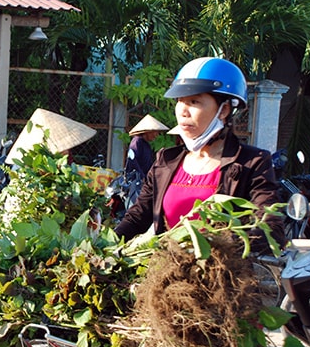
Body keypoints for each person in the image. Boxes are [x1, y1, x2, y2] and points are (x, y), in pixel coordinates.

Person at [114, 57, 285, 250]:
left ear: (224, 110)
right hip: (165, 271)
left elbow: (270, 228)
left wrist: (214, 248)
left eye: (194, 101)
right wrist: (106, 245)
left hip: (222, 274)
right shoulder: (165, 160)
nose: (183, 111)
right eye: (180, 101)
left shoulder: (252, 163)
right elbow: (137, 217)